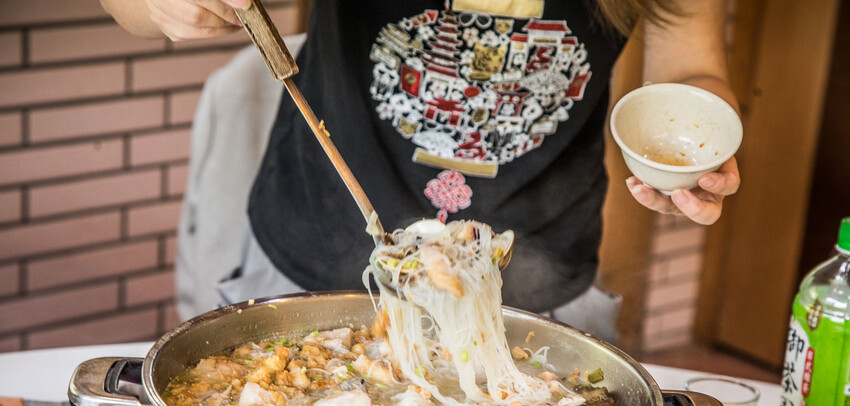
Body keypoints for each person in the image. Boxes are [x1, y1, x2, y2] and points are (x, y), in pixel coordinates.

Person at [101, 0, 740, 343]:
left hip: (545, 284)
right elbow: (128, 9)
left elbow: (692, 61)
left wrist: (696, 147)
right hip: (310, 255)